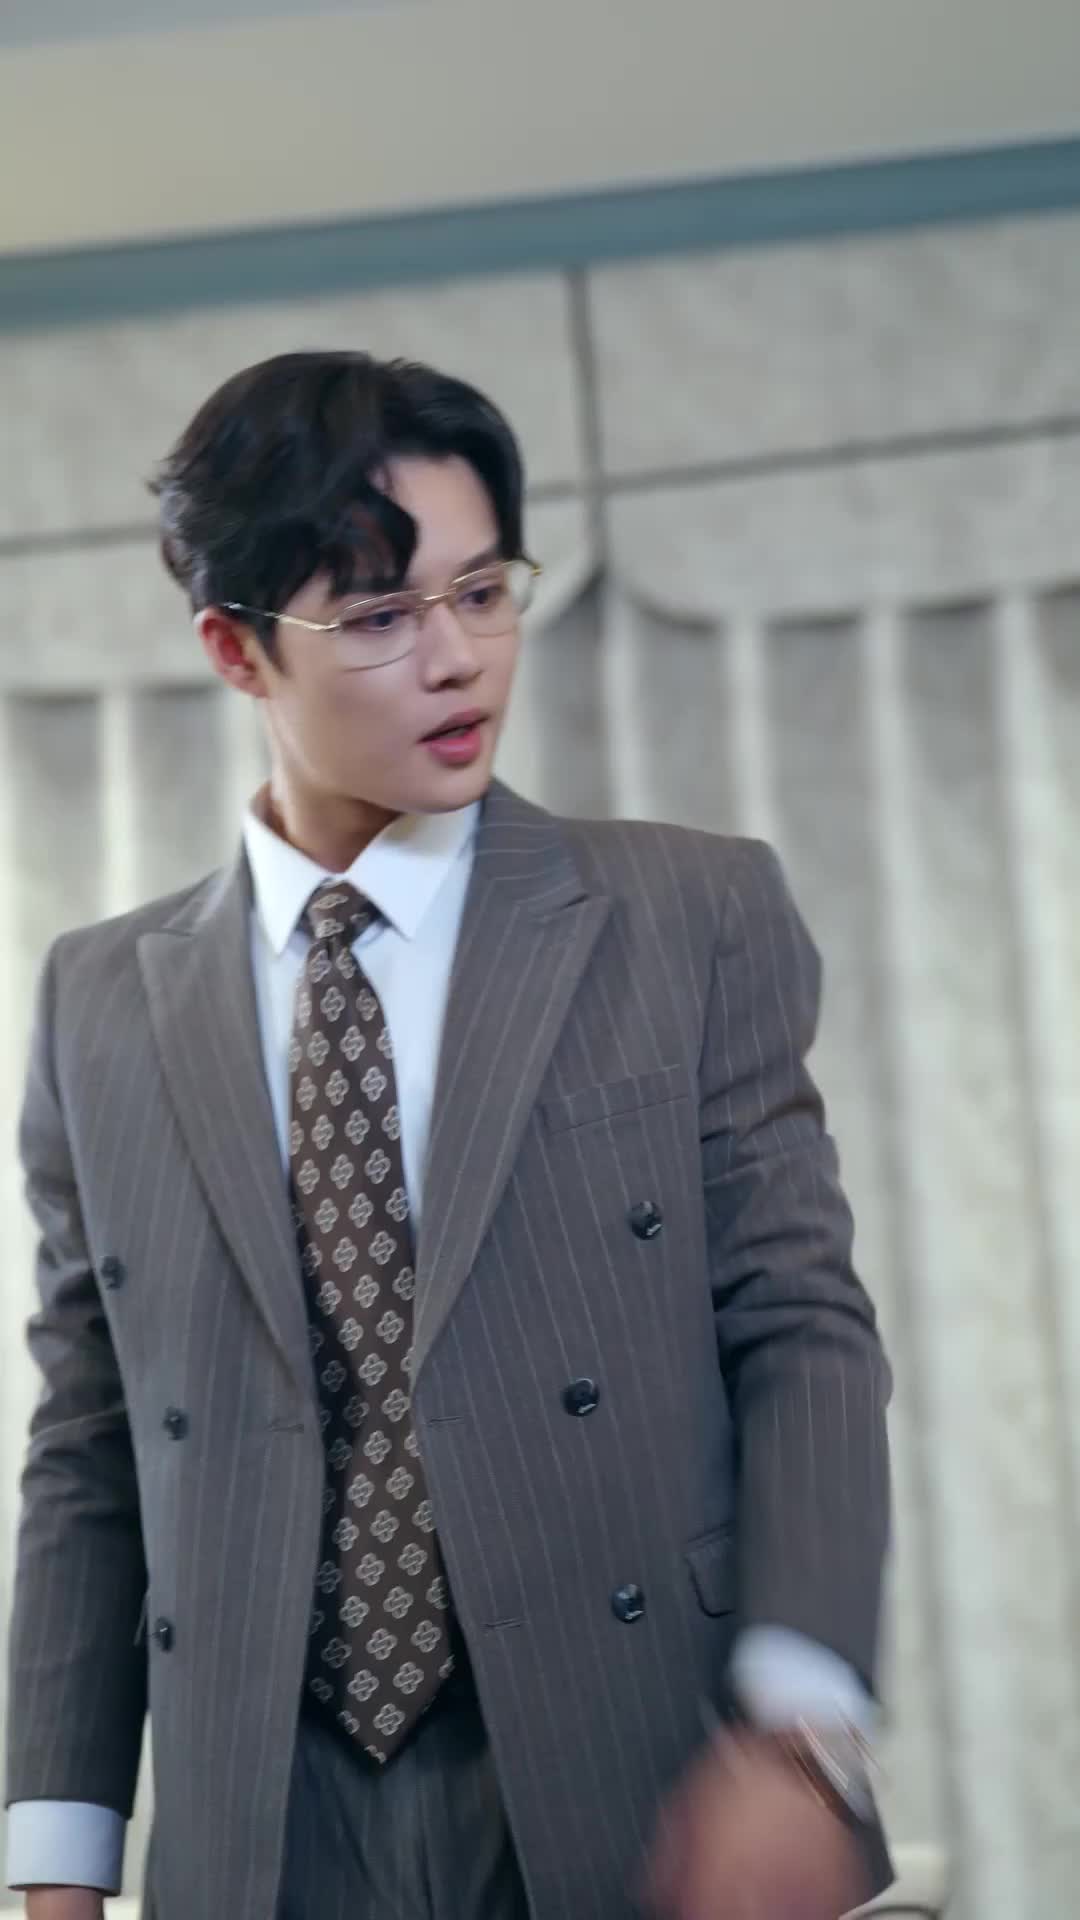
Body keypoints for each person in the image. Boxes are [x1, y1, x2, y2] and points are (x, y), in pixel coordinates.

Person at [4, 350, 892, 1920]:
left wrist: (799, 1728)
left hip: (640, 1765)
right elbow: (89, 1448)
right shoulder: (98, 1001)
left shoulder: (689, 914)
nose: (458, 657)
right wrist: (56, 1859)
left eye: (484, 593)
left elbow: (801, 1324)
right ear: (234, 649)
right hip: (261, 1822)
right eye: (379, 616)